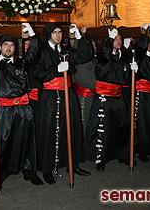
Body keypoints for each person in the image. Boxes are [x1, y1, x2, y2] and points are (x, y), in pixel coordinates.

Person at [0, 24, 43, 189]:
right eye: (5, 45)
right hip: (3, 111)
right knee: (1, 144)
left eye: (11, 45)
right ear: (0, 47)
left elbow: (33, 55)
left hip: (23, 109)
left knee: (26, 141)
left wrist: (33, 37)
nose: (8, 48)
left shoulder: (21, 64)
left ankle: (28, 170)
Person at [33, 22, 94, 184]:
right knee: (48, 131)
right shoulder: (42, 51)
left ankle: (72, 163)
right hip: (50, 96)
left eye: (60, 32)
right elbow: (38, 73)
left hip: (68, 95)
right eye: (55, 32)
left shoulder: (66, 50)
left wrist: (80, 37)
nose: (58, 35)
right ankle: (47, 168)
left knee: (72, 128)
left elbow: (85, 56)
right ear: (49, 34)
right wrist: (56, 70)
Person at [84, 27, 136, 171]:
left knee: (122, 127)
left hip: (118, 97)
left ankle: (124, 155)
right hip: (104, 98)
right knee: (103, 130)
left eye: (119, 39)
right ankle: (101, 158)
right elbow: (104, 61)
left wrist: (132, 71)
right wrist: (109, 41)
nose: (118, 41)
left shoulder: (123, 57)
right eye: (115, 39)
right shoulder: (103, 56)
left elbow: (125, 80)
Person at [133, 33, 150, 162]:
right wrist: (144, 34)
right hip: (143, 94)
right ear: (149, 42)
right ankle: (142, 150)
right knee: (143, 123)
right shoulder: (142, 56)